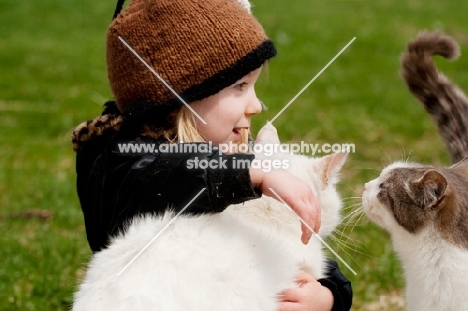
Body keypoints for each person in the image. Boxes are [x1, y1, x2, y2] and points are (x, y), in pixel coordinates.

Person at [71, 0, 352, 310]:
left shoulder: (229, 161)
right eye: (240, 86)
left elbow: (282, 243)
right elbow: (162, 176)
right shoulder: (121, 160)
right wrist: (250, 173)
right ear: (183, 97)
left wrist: (328, 294)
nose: (256, 105)